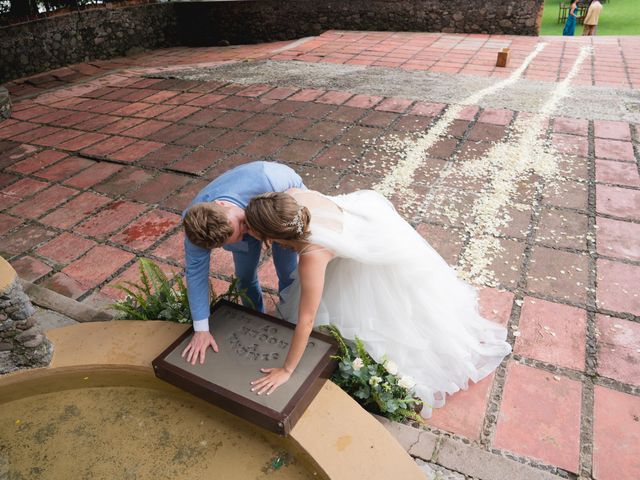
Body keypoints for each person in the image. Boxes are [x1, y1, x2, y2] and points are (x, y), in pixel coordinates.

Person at [245, 189, 512, 416]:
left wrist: (287, 369)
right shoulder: (291, 198)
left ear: (275, 236)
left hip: (374, 247)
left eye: (254, 231)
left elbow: (307, 319)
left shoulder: (313, 254)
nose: (249, 232)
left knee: (393, 308)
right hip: (365, 220)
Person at [181, 161, 305, 365]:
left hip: (278, 214)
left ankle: (289, 320)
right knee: (245, 277)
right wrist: (201, 330)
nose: (250, 230)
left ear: (222, 205)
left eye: (241, 223)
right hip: (238, 235)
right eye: (241, 233)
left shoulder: (269, 179)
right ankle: (256, 319)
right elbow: (196, 275)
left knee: (287, 272)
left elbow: (304, 206)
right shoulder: (196, 229)